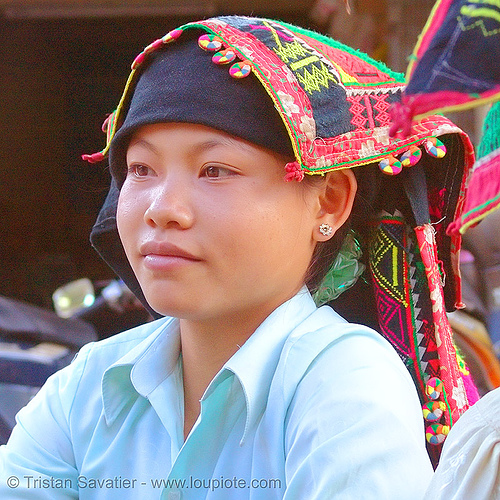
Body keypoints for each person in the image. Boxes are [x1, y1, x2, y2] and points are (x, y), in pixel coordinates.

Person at [0, 15, 477, 499]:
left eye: (214, 170)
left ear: (328, 200)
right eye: (141, 168)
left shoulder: (346, 387)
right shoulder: (88, 385)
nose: (162, 208)